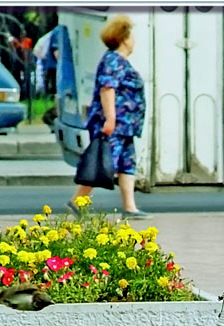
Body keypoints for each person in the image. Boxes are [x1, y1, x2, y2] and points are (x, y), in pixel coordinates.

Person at [67, 15, 151, 220]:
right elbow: (107, 89)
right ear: (124, 38)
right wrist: (110, 119)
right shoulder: (113, 60)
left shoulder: (120, 61)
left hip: (126, 126)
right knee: (102, 161)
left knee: (126, 164)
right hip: (115, 124)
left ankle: (130, 208)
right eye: (132, 36)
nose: (134, 40)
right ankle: (77, 201)